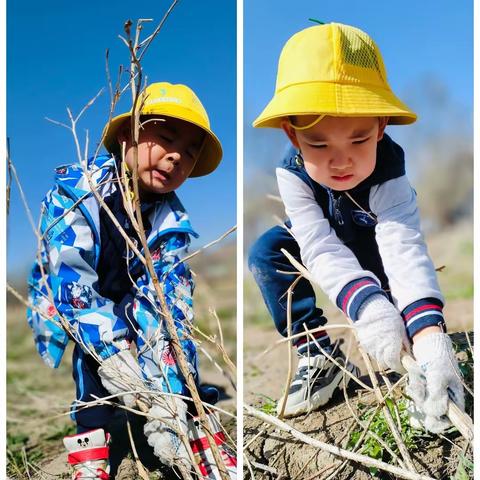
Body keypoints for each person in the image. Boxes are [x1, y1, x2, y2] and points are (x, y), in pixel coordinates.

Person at [248, 22, 465, 431]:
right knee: (265, 252)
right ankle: (319, 355)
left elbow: (402, 244)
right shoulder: (291, 175)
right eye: (318, 144)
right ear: (292, 136)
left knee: (398, 300)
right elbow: (318, 245)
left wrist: (427, 331)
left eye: (359, 139)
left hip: (373, 238)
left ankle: (425, 358)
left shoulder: (389, 171)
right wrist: (364, 307)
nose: (340, 160)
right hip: (320, 238)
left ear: (381, 126)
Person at [27, 82, 236, 479]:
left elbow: (171, 303)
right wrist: (114, 352)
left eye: (191, 152)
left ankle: (186, 418)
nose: (177, 156)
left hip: (134, 297)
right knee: (93, 370)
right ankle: (91, 443)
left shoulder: (170, 223)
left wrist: (169, 392)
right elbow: (71, 280)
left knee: (168, 349)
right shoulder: (75, 195)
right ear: (127, 134)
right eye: (167, 138)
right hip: (76, 300)